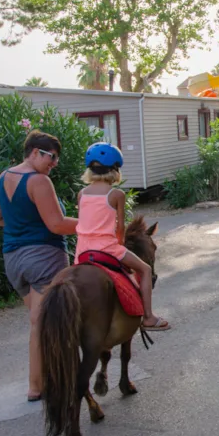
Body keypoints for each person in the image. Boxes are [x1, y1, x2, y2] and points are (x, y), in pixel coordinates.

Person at [0, 130, 78, 402]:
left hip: (14, 261)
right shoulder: (38, 181)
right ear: (35, 152)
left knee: (42, 320)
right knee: (42, 323)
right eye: (52, 157)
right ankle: (37, 386)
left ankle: (45, 378)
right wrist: (95, 223)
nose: (54, 164)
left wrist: (22, 227)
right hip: (43, 258)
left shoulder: (2, 178)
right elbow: (57, 224)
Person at [76, 142, 169, 331]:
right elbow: (119, 229)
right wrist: (120, 244)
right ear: (115, 170)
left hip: (82, 250)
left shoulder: (81, 193)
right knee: (144, 269)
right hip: (106, 249)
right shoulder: (116, 194)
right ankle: (149, 317)